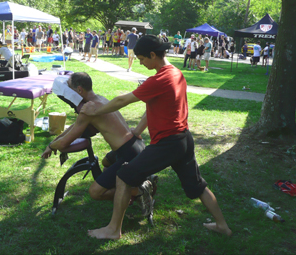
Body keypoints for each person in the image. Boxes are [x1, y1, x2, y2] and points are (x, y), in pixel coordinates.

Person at [81, 35, 232, 240]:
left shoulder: (160, 79)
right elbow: (153, 105)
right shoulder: (176, 73)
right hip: (184, 140)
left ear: (153, 55)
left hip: (168, 144)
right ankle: (223, 225)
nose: (141, 63)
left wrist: (95, 112)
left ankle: (113, 230)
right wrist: (138, 130)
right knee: (198, 186)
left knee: (124, 176)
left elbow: (122, 100)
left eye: (142, 58)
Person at [41, 72, 156, 208]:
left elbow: (65, 142)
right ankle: (137, 180)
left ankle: (140, 191)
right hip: (136, 145)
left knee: (95, 192)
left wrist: (52, 146)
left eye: (70, 87)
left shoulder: (88, 109)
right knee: (105, 162)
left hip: (129, 153)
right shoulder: (100, 99)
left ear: (79, 90)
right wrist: (54, 141)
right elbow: (74, 127)